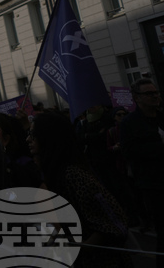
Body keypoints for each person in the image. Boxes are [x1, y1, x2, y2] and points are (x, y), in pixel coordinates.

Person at [29, 112, 130, 267]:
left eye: (34, 135)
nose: (29, 140)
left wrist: (81, 247)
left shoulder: (73, 175)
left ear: (49, 138)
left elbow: (111, 221)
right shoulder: (56, 173)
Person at [121, 78, 164, 266]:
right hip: (154, 185)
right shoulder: (130, 123)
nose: (155, 96)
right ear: (137, 98)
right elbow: (129, 152)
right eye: (149, 93)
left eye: (156, 92)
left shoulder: (162, 117)